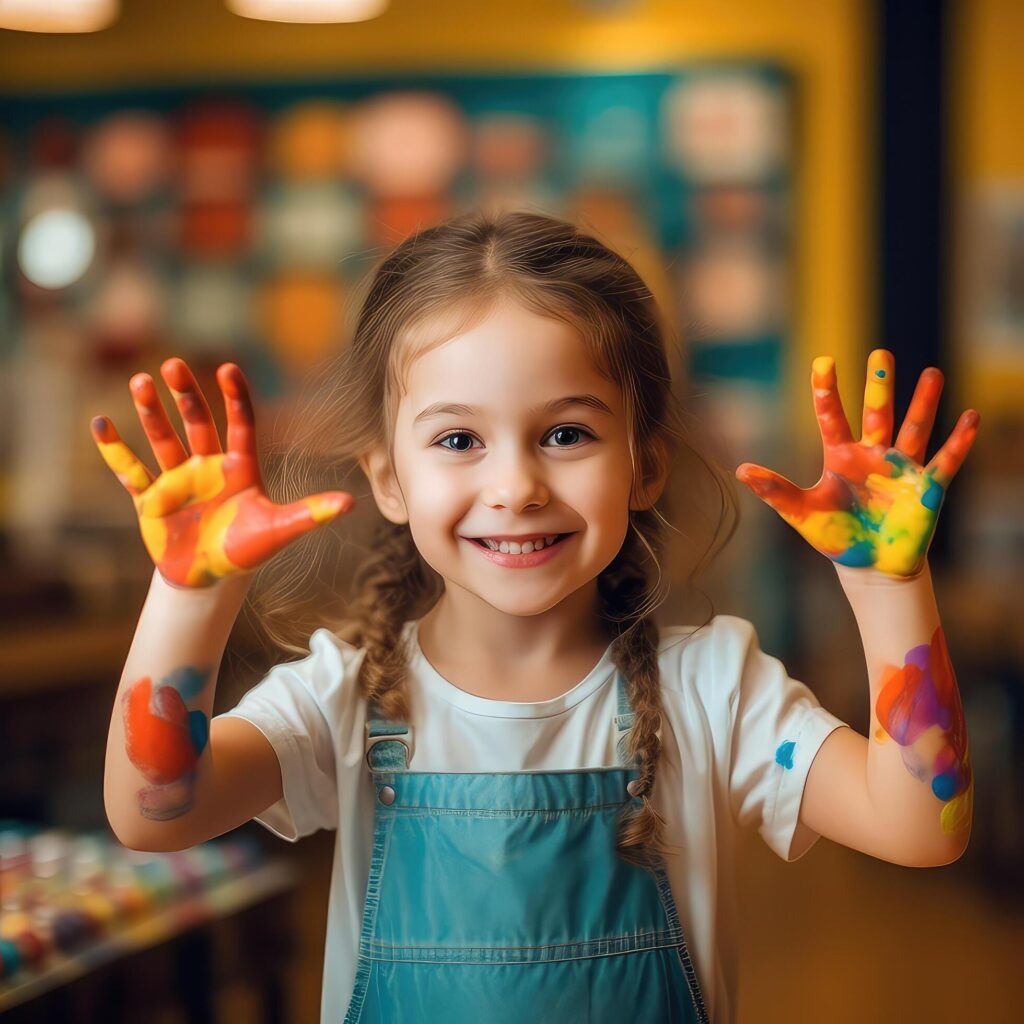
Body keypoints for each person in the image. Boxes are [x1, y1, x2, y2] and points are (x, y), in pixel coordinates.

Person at [92, 210, 979, 1024]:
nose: (515, 486)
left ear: (646, 464)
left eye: (566, 434)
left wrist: (885, 583)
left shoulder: (714, 687)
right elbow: (155, 813)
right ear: (388, 478)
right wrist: (189, 592)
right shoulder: (343, 697)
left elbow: (919, 827)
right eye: (457, 440)